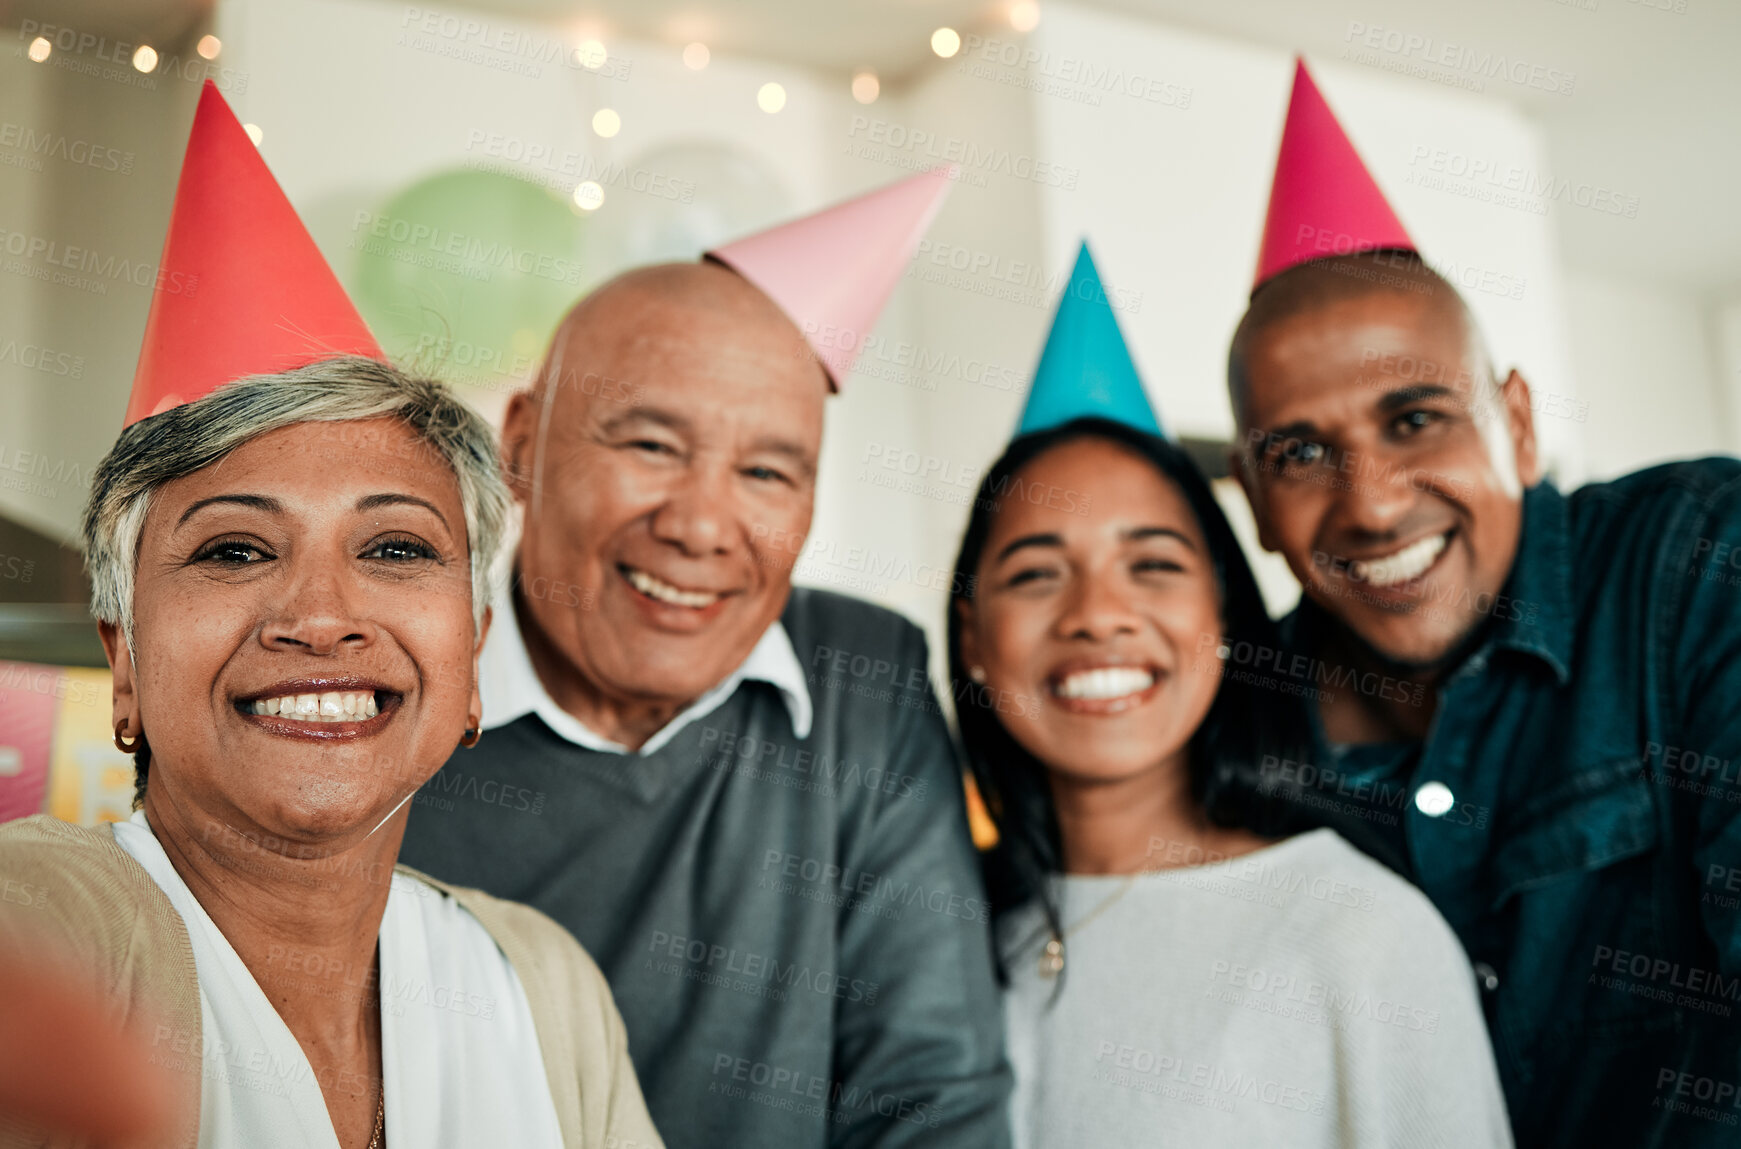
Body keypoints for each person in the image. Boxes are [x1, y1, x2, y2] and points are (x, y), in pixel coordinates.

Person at [0, 83, 660, 1149]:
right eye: (233, 550)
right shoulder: (50, 923)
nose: (319, 616)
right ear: (123, 663)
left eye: (396, 547)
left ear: (474, 656)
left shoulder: (541, 989)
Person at [399, 171, 1012, 1148]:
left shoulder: (862, 673)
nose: (697, 525)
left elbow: (932, 1098)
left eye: (766, 472)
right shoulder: (383, 688)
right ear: (520, 446)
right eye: (649, 443)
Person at [1226, 60, 1741, 1149]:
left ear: (1514, 422)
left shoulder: (1695, 559)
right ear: (1255, 499)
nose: (1368, 506)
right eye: (1302, 453)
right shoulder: (1227, 722)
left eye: (1414, 420)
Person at [950, 244, 1511, 1148]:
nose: (1098, 616)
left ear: (1221, 615)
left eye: (1153, 565)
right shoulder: (938, 935)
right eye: (1035, 573)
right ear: (972, 638)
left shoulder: (1361, 936)